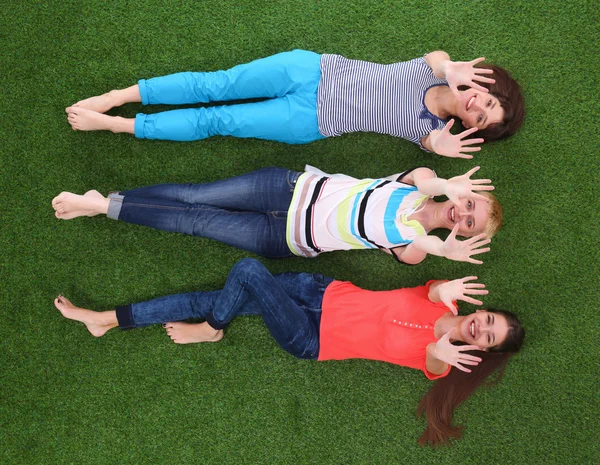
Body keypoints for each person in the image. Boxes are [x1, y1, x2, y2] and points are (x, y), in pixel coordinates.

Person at [53, 258, 525, 445]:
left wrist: (445, 344)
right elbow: (437, 285)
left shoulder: (439, 362)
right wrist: (446, 288)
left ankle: (211, 331)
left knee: (246, 272)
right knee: (210, 297)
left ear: (480, 350)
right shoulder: (443, 298)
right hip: (319, 290)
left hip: (310, 337)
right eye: (489, 319)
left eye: (487, 336)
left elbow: (435, 359)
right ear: (481, 309)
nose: (481, 326)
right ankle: (106, 320)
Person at [65, 50, 524, 159]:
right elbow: (438, 58)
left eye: (481, 119)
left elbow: (429, 144)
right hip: (310, 70)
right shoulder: (436, 69)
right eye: (484, 100)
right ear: (482, 82)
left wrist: (438, 148)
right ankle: (120, 96)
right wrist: (451, 73)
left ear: (472, 126)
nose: (475, 107)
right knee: (216, 84)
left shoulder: (433, 131)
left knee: (216, 119)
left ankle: (116, 127)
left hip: (307, 118)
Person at [52, 165, 500, 265]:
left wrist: (446, 250)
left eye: (470, 223)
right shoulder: (420, 182)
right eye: (470, 204)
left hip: (282, 240)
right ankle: (104, 202)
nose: (463, 214)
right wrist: (448, 188)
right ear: (463, 192)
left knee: (194, 221)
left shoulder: (416, 249)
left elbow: (418, 247)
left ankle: (102, 205)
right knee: (195, 195)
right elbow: (428, 183)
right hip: (287, 188)